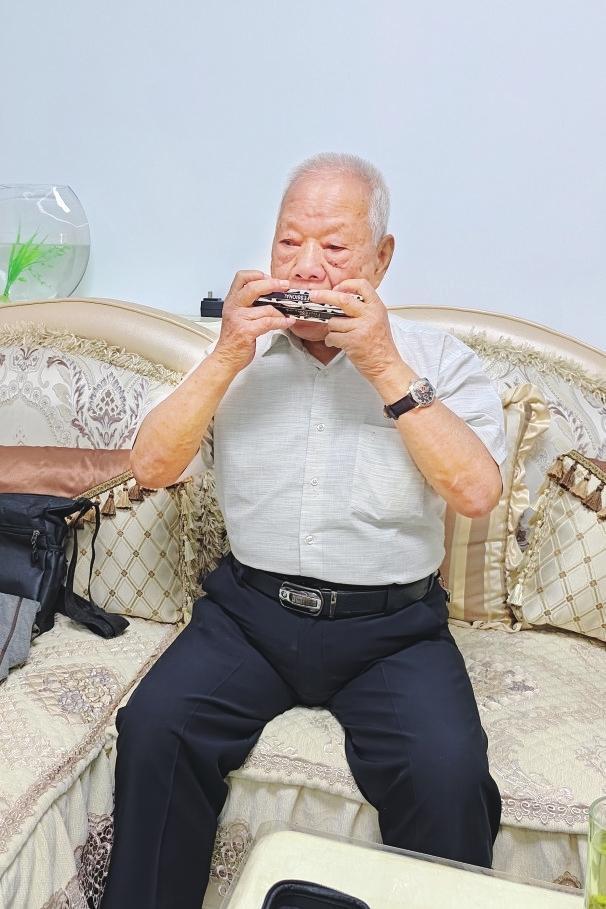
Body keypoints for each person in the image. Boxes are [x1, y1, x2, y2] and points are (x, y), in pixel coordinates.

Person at [100, 153, 507, 909]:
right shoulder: (236, 353)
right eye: (289, 243)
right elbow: (151, 467)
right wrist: (226, 355)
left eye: (335, 246)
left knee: (448, 774)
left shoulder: (436, 360)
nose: (307, 266)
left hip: (392, 631)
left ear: (381, 259)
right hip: (247, 617)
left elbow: (477, 493)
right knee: (156, 728)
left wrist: (382, 364)